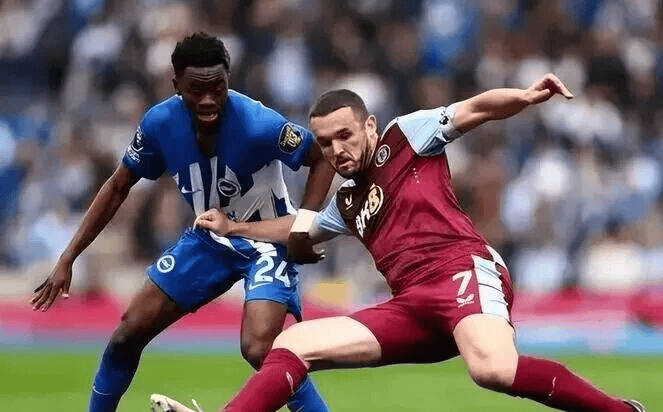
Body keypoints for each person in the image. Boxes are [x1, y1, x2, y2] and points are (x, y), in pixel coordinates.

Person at [164, 73, 646, 412]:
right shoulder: (347, 203)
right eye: (326, 143)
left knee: (493, 370)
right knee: (292, 342)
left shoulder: (406, 136)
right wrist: (235, 228)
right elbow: (299, 229)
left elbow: (475, 109)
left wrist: (523, 96)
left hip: (462, 273)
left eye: (345, 135)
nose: (337, 150)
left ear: (370, 126)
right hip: (413, 307)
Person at [29, 32, 335, 412]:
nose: (208, 99)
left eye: (217, 88)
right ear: (176, 84)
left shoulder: (259, 123)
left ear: (228, 80)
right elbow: (118, 186)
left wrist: (302, 228)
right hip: (210, 238)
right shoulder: (159, 124)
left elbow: (320, 159)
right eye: (195, 89)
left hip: (268, 240)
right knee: (126, 335)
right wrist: (69, 255)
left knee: (259, 348)